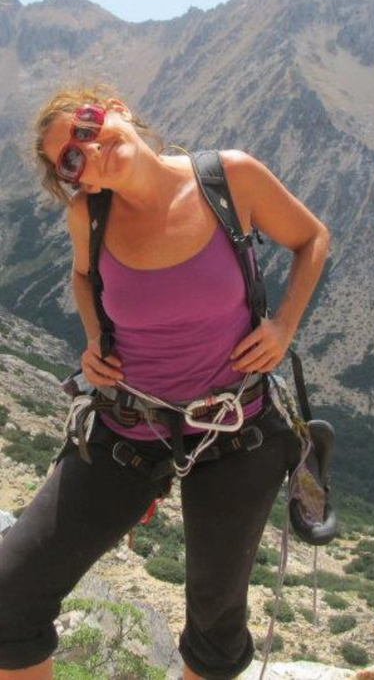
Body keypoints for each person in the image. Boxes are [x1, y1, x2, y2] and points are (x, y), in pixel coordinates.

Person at [0, 86, 330, 680]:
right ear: (79, 182)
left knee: (215, 631)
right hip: (126, 426)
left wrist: (283, 326)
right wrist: (96, 337)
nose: (88, 148)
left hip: (237, 431)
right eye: (70, 161)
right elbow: (83, 275)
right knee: (7, 599)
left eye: (87, 124)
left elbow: (312, 239)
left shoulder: (229, 179)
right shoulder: (89, 216)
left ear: (115, 109)